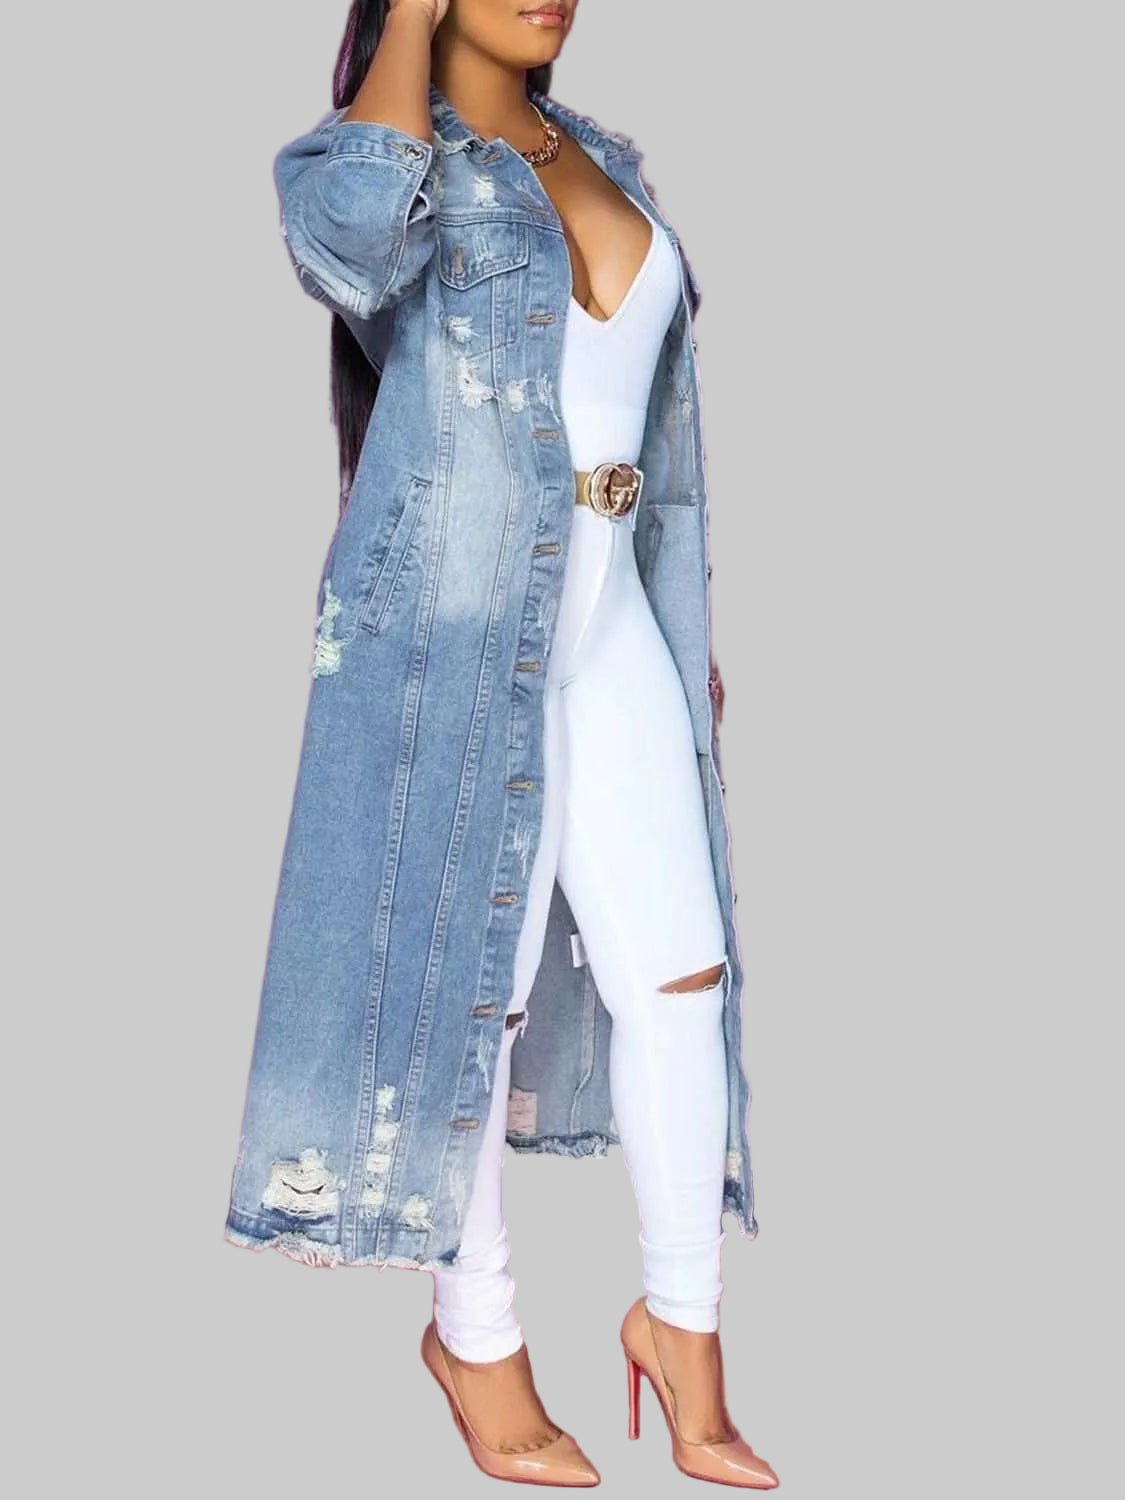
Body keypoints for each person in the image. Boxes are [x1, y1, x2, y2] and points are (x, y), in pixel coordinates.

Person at [225, 0, 777, 1487]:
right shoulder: (372, 165)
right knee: (473, 991)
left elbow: (654, 442)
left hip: (617, 631)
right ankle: (477, 1338)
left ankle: (683, 1330)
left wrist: (686, 635)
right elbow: (352, 246)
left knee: (683, 979)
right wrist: (404, 29)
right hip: (456, 641)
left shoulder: (604, 155)